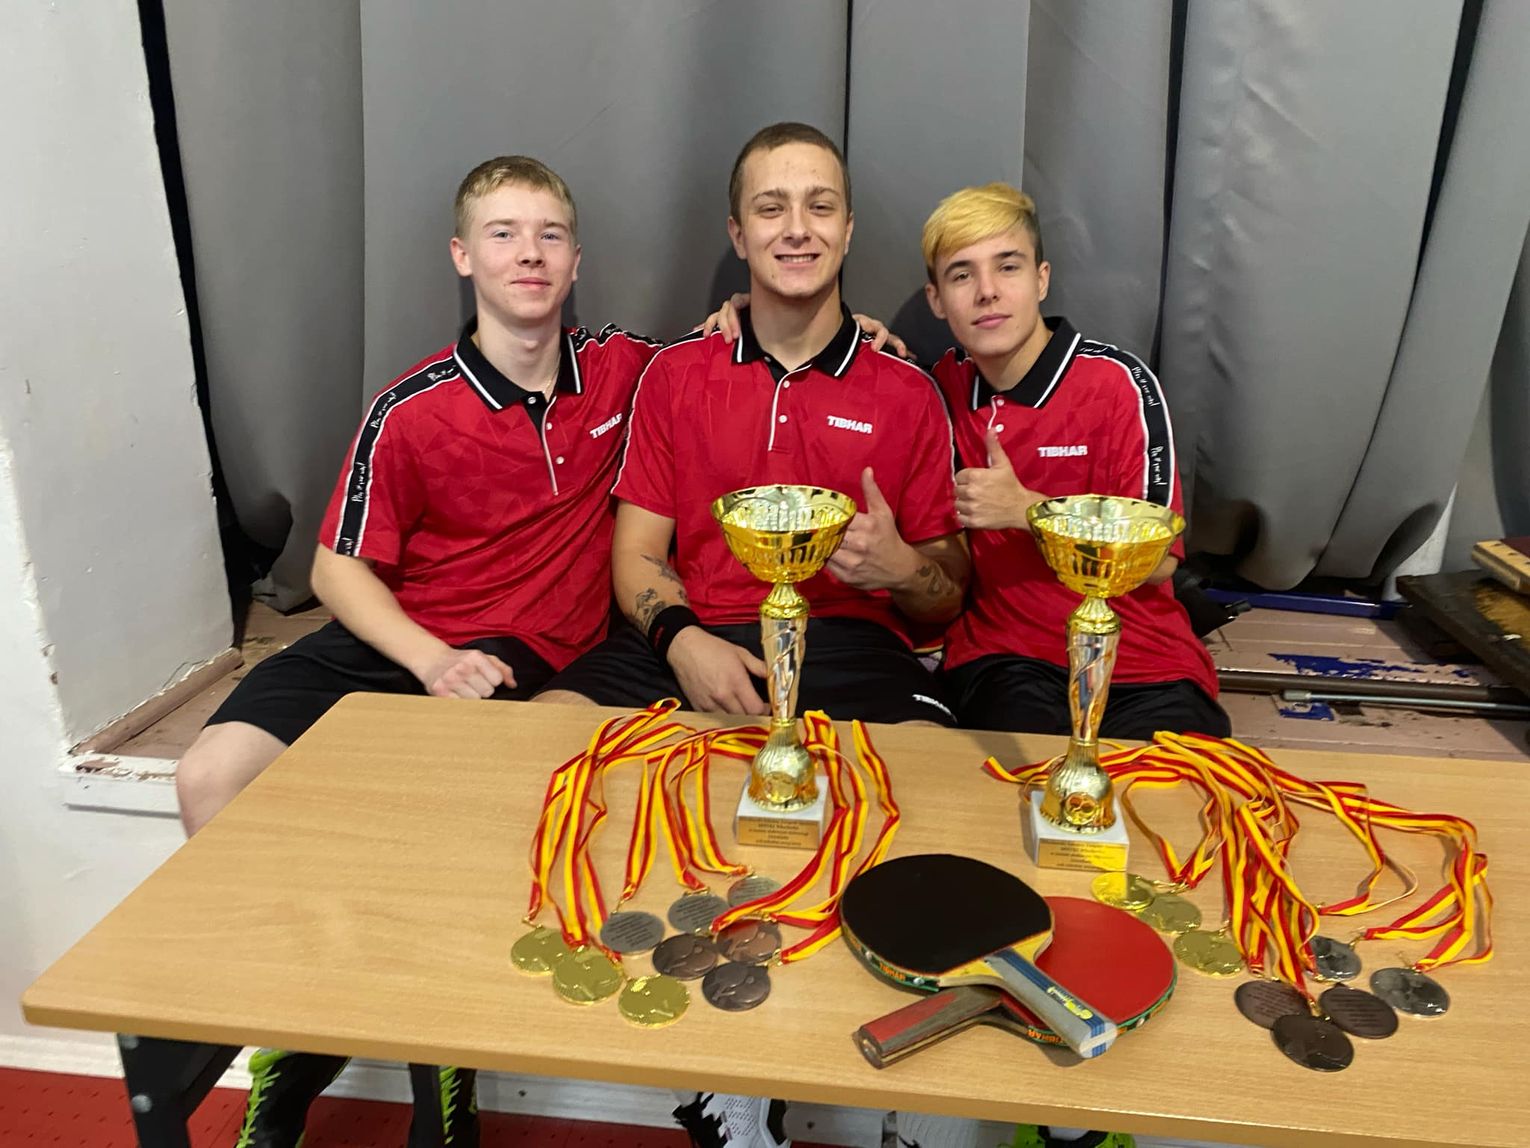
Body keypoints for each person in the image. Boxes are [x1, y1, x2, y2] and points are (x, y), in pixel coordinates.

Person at [180, 154, 668, 1148]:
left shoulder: (628, 368)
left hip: (523, 655)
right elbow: (336, 568)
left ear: (576, 260)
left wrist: (785, 316)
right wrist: (429, 657)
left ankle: (440, 1065)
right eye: (502, 234)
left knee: (455, 812)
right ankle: (290, 1037)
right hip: (403, 639)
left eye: (549, 235)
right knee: (209, 773)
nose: (528, 254)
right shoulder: (410, 407)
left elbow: (741, 352)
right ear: (461, 256)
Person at [537, 122, 968, 733]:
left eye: (820, 206)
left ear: (847, 230)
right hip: (693, 631)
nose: (797, 228)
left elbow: (947, 594)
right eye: (771, 208)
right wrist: (685, 644)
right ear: (739, 235)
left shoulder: (908, 390)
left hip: (852, 646)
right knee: (538, 736)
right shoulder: (675, 374)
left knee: (932, 771)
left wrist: (899, 567)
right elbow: (637, 552)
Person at [921, 182, 1229, 740]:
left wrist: (1030, 511)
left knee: (1181, 786)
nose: (987, 292)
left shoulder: (1117, 384)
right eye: (962, 275)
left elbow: (1160, 561)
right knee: (1022, 778)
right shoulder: (941, 384)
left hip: (1144, 664)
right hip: (1009, 660)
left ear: (1041, 279)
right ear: (937, 300)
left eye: (1008, 267)